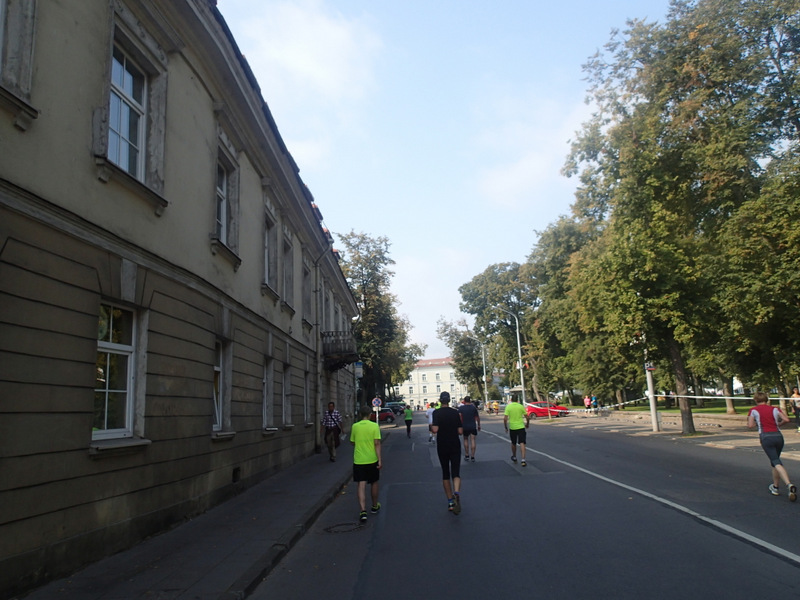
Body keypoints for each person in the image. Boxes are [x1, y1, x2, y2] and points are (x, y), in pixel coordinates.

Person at [747, 391, 796, 501]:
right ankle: (775, 487)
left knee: (776, 461)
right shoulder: (775, 409)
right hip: (778, 436)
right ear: (767, 399)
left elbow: (750, 425)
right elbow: (786, 419)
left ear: (755, 400)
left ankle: (788, 484)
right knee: (774, 461)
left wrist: (756, 423)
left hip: (766, 437)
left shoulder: (753, 410)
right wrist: (778, 424)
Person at [432, 392, 463, 514]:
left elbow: (435, 430)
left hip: (442, 445)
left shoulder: (436, 412)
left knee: (445, 473)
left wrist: (432, 427)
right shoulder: (455, 412)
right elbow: (460, 431)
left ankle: (450, 501)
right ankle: (457, 492)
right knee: (456, 472)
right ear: (449, 401)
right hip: (455, 444)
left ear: (440, 401)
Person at [350, 405, 382, 523]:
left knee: (361, 485)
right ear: (370, 415)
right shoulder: (374, 426)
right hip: (372, 459)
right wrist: (379, 459)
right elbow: (377, 443)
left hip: (359, 460)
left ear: (360, 415)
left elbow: (352, 442)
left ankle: (363, 511)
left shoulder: (355, 426)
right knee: (374, 482)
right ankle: (374, 506)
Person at [504, 396, 530, 467]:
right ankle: (523, 460)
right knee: (522, 443)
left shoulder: (508, 407)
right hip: (521, 427)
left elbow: (505, 418)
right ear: (517, 400)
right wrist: (527, 424)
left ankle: (514, 456)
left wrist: (506, 427)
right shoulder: (520, 406)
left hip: (512, 427)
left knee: (513, 443)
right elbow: (527, 416)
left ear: (511, 400)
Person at [458, 396, 481, 461]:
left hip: (464, 426)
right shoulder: (473, 408)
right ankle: (473, 456)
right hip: (472, 426)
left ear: (464, 401)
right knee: (473, 440)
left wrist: (459, 425)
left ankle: (467, 454)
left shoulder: (461, 408)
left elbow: (459, 417)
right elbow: (477, 417)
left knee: (465, 439)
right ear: (470, 401)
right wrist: (479, 425)